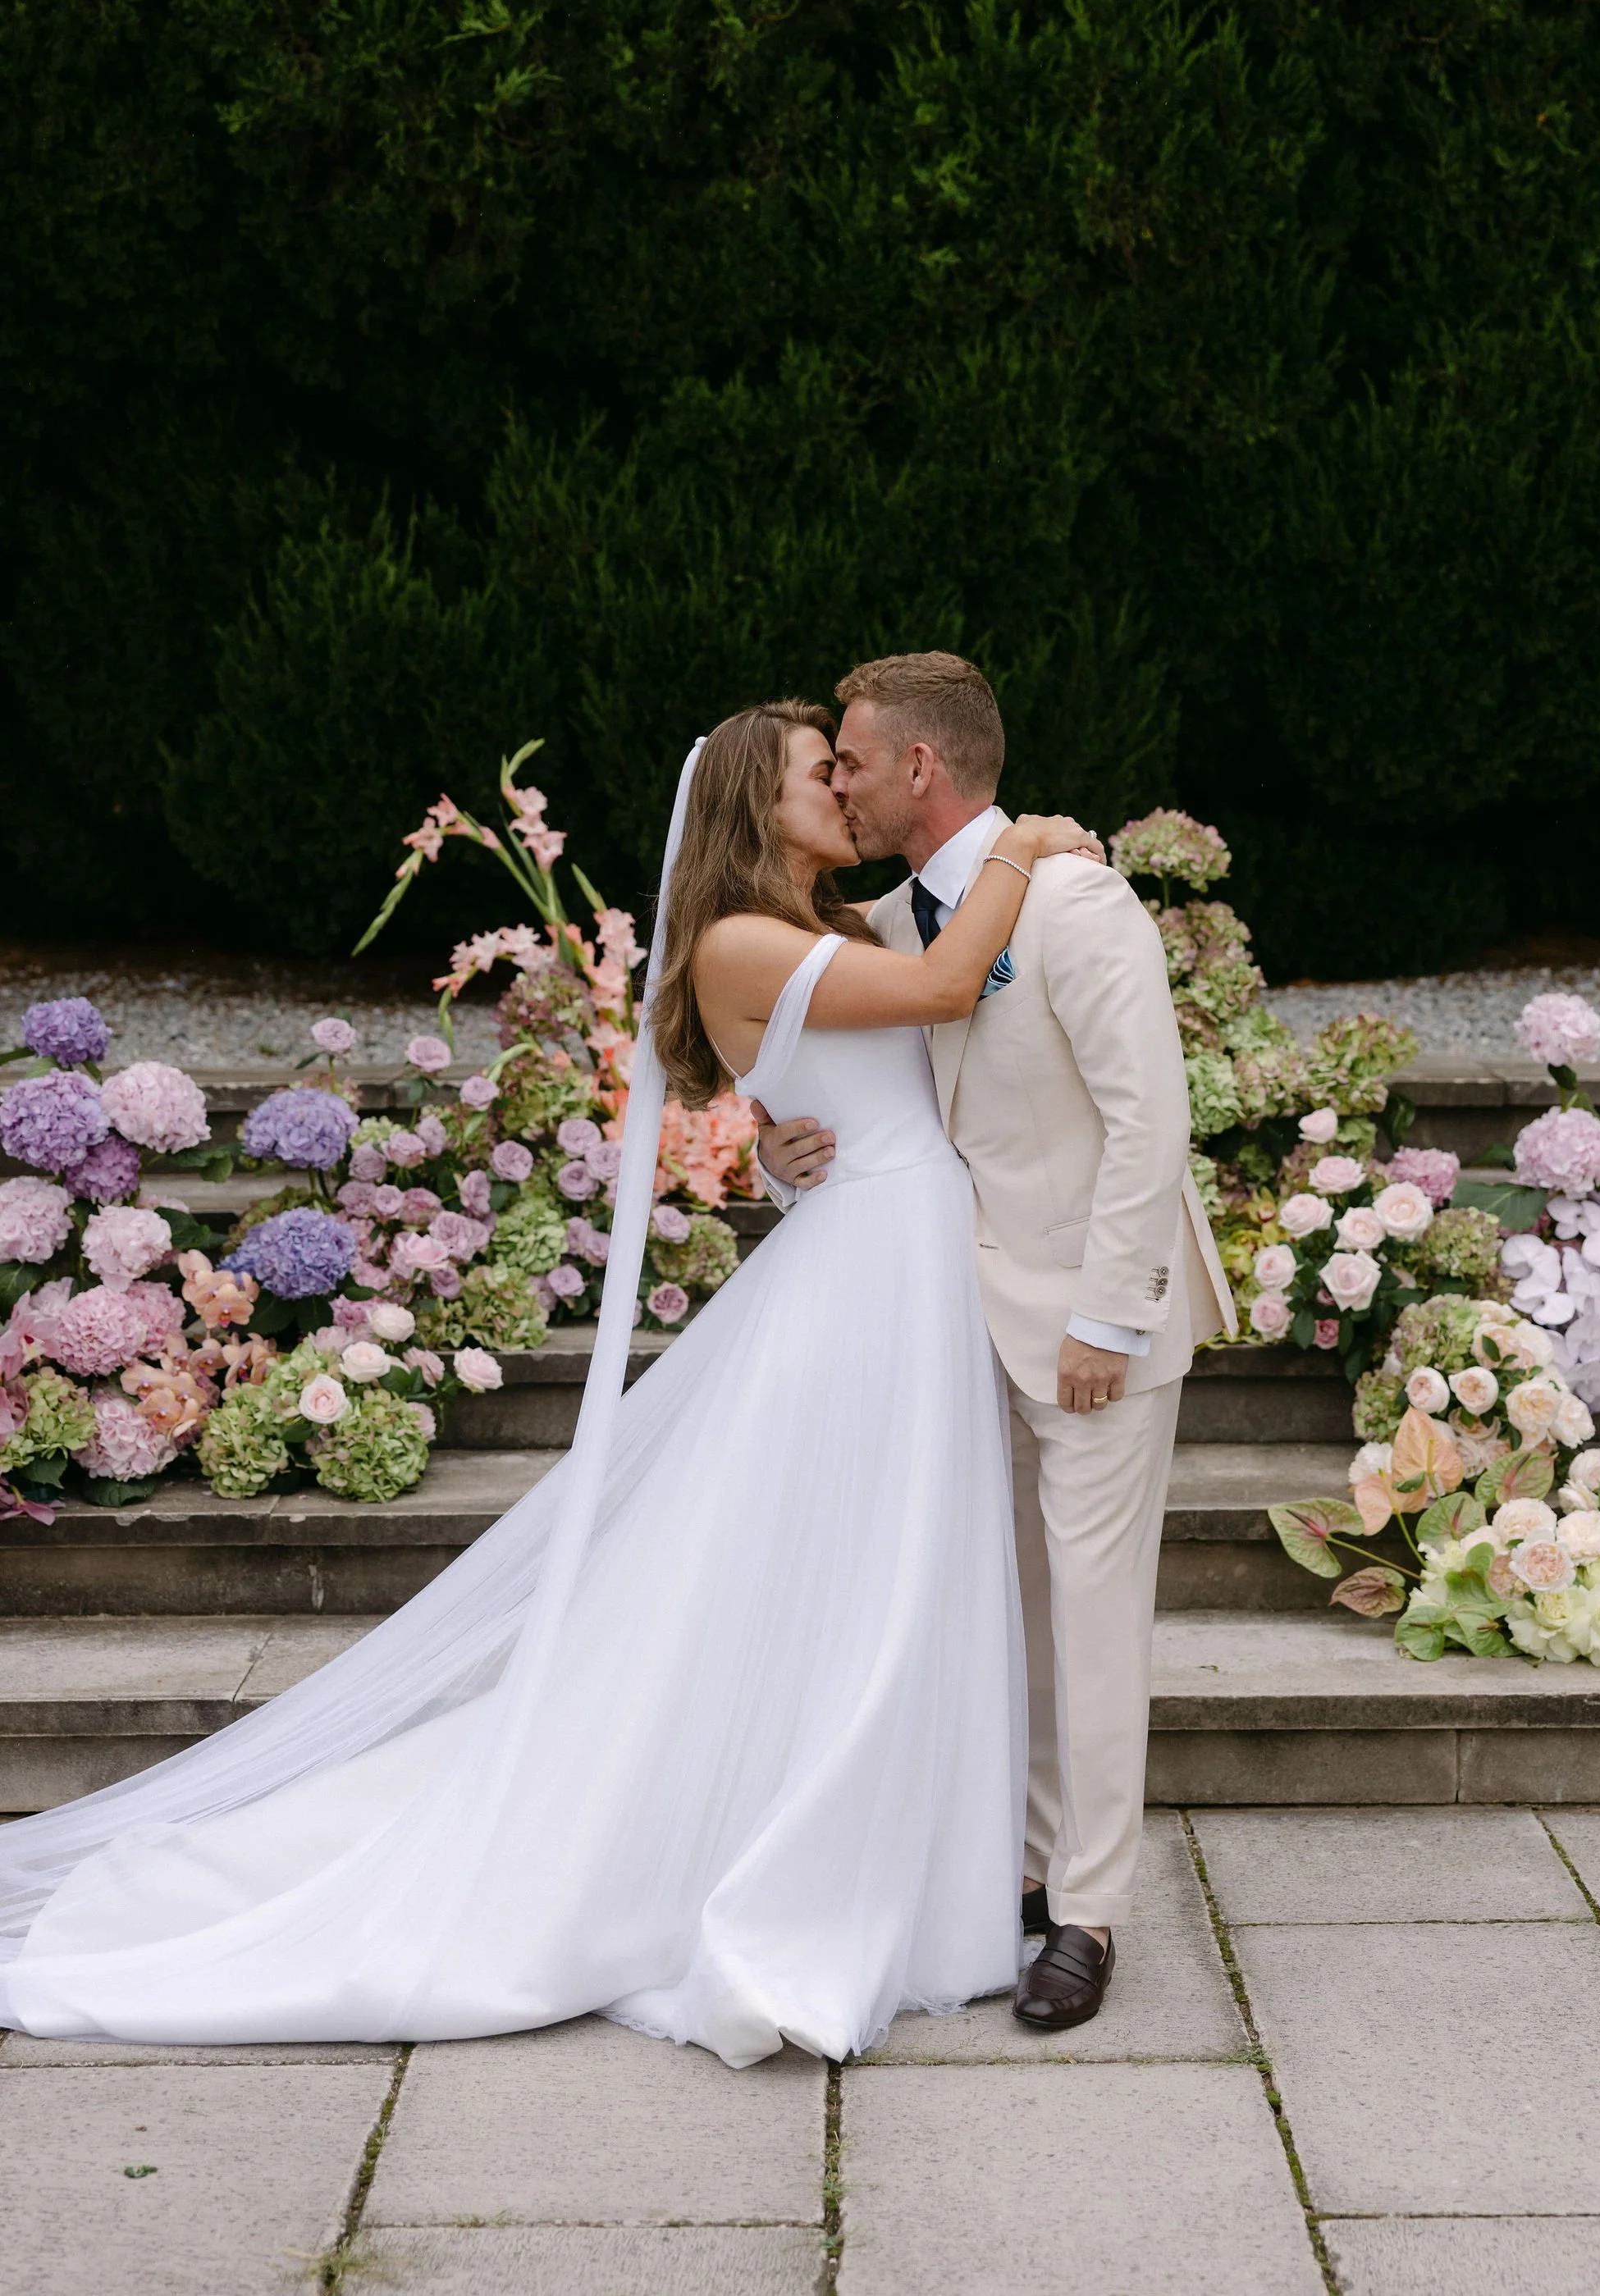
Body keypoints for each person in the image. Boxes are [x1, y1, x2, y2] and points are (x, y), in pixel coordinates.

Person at [0, 703, 1100, 2070]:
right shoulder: (741, 941)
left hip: (900, 1254)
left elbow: (894, 1031)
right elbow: (943, 991)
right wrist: (1029, 846)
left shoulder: (836, 926)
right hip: (874, 1273)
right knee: (870, 1573)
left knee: (897, 1569)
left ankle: (918, 1864)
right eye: (821, 772)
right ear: (758, 807)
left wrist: (778, 1149)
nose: (844, 786)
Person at [755, 654, 1234, 2033]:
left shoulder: (1077, 902)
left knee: (1091, 1621)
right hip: (958, 1320)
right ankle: (1024, 1872)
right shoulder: (900, 921)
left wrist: (1107, 1314)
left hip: (1091, 1324)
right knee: (1010, 1614)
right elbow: (875, 1101)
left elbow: (1152, 1120)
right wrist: (788, 1161)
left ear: (921, 767)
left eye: (849, 756)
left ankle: (1088, 1913)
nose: (836, 777)